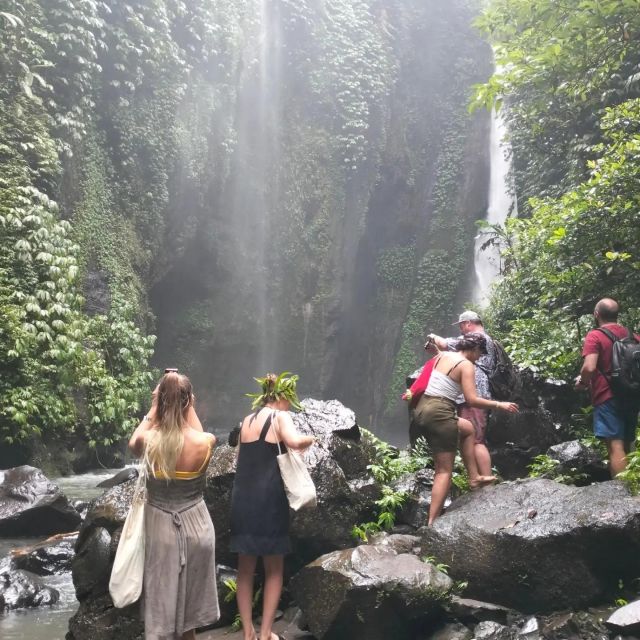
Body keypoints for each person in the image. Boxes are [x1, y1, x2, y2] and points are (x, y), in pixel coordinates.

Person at [129, 372, 219, 640]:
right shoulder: (206, 442)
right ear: (189, 401)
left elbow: (134, 442)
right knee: (189, 619)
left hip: (161, 530)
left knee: (160, 611)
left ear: (162, 401)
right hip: (199, 529)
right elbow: (197, 431)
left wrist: (155, 407)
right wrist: (186, 404)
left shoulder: (149, 441)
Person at [230, 373, 314, 640]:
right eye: (291, 399)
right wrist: (311, 439)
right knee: (274, 568)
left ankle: (247, 633)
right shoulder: (280, 417)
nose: (291, 405)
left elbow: (240, 460)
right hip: (269, 500)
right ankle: (266, 633)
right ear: (282, 396)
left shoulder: (246, 420)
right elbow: (293, 442)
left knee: (245, 568)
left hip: (242, 499)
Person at [412, 333, 518, 525]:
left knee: (468, 428)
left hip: (422, 410)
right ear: (474, 349)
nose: (479, 358)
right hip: (440, 412)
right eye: (479, 353)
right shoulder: (466, 365)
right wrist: (499, 405)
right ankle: (432, 522)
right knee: (443, 470)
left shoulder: (443, 355)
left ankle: (474, 477)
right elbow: (472, 400)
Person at [427, 310, 497, 477]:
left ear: (468, 323)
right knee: (472, 437)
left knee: (476, 440)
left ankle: (486, 481)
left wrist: (432, 337)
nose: (460, 330)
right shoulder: (485, 340)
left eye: (461, 326)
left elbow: (445, 344)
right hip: (476, 394)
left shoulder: (477, 340)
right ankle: (480, 479)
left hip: (473, 395)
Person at [575, 298, 640, 477]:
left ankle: (621, 494)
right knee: (628, 440)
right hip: (633, 395)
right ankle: (635, 486)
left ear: (596, 314)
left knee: (614, 444)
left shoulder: (595, 335)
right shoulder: (632, 335)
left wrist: (582, 382)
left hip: (607, 395)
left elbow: (589, 367)